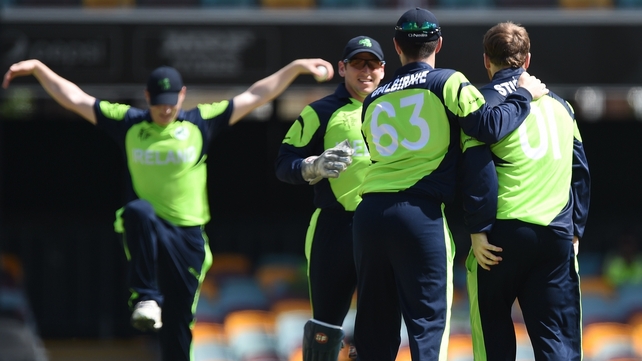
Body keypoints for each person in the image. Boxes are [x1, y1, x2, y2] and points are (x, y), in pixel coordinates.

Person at [2, 57, 334, 361]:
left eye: (171, 102)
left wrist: (294, 68)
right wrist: (38, 70)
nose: (165, 110)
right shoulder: (129, 123)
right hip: (148, 228)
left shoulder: (199, 122)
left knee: (178, 326)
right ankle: (145, 296)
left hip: (188, 237)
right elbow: (76, 98)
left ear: (182, 95)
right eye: (159, 103)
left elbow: (255, 96)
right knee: (136, 212)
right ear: (147, 97)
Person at [352, 8, 549, 361]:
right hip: (418, 216)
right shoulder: (446, 81)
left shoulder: (373, 98)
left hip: (367, 217)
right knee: (428, 327)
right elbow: (488, 126)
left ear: (396, 47)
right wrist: (523, 95)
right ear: (439, 44)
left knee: (373, 330)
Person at [460, 21, 591, 360]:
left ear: (486, 61)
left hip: (499, 238)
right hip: (555, 237)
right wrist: (575, 229)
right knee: (559, 345)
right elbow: (580, 172)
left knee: (493, 340)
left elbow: (476, 169)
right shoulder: (562, 106)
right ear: (527, 60)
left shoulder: (480, 103)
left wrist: (476, 228)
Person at [275, 35, 385, 361]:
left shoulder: (398, 110)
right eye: (357, 63)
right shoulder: (320, 111)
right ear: (342, 68)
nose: (365, 71)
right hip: (335, 227)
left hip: (381, 229)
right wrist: (315, 166)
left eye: (373, 63)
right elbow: (284, 163)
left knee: (377, 327)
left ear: (383, 68)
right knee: (325, 328)